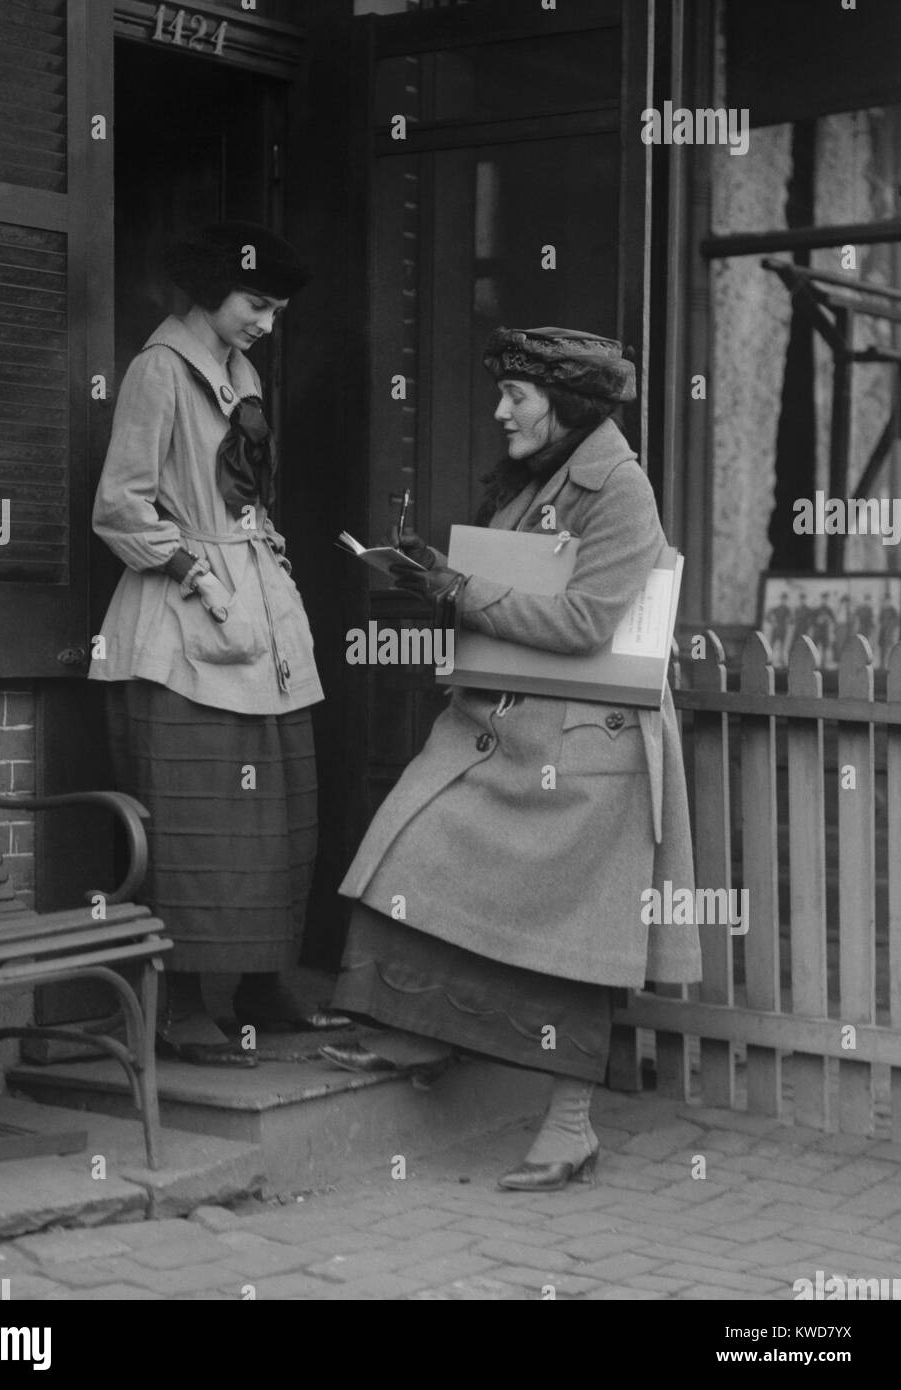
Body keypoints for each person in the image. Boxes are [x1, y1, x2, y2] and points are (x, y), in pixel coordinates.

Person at [321, 326, 701, 1190]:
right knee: (415, 847)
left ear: (563, 405)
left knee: (576, 941)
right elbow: (516, 587)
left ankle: (570, 1129)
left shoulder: (620, 490)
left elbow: (580, 622)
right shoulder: (542, 476)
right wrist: (436, 578)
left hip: (590, 748)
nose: (499, 412)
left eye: (515, 397)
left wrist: (458, 589)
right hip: (516, 728)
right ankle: (415, 1032)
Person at [90, 221, 348, 1064]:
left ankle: (261, 985)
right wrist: (199, 578)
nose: (266, 322)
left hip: (259, 613)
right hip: (182, 623)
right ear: (212, 291)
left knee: (276, 817)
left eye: (275, 309)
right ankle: (180, 1007)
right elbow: (121, 506)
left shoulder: (243, 373)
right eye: (255, 304)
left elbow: (245, 499)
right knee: (195, 824)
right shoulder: (157, 371)